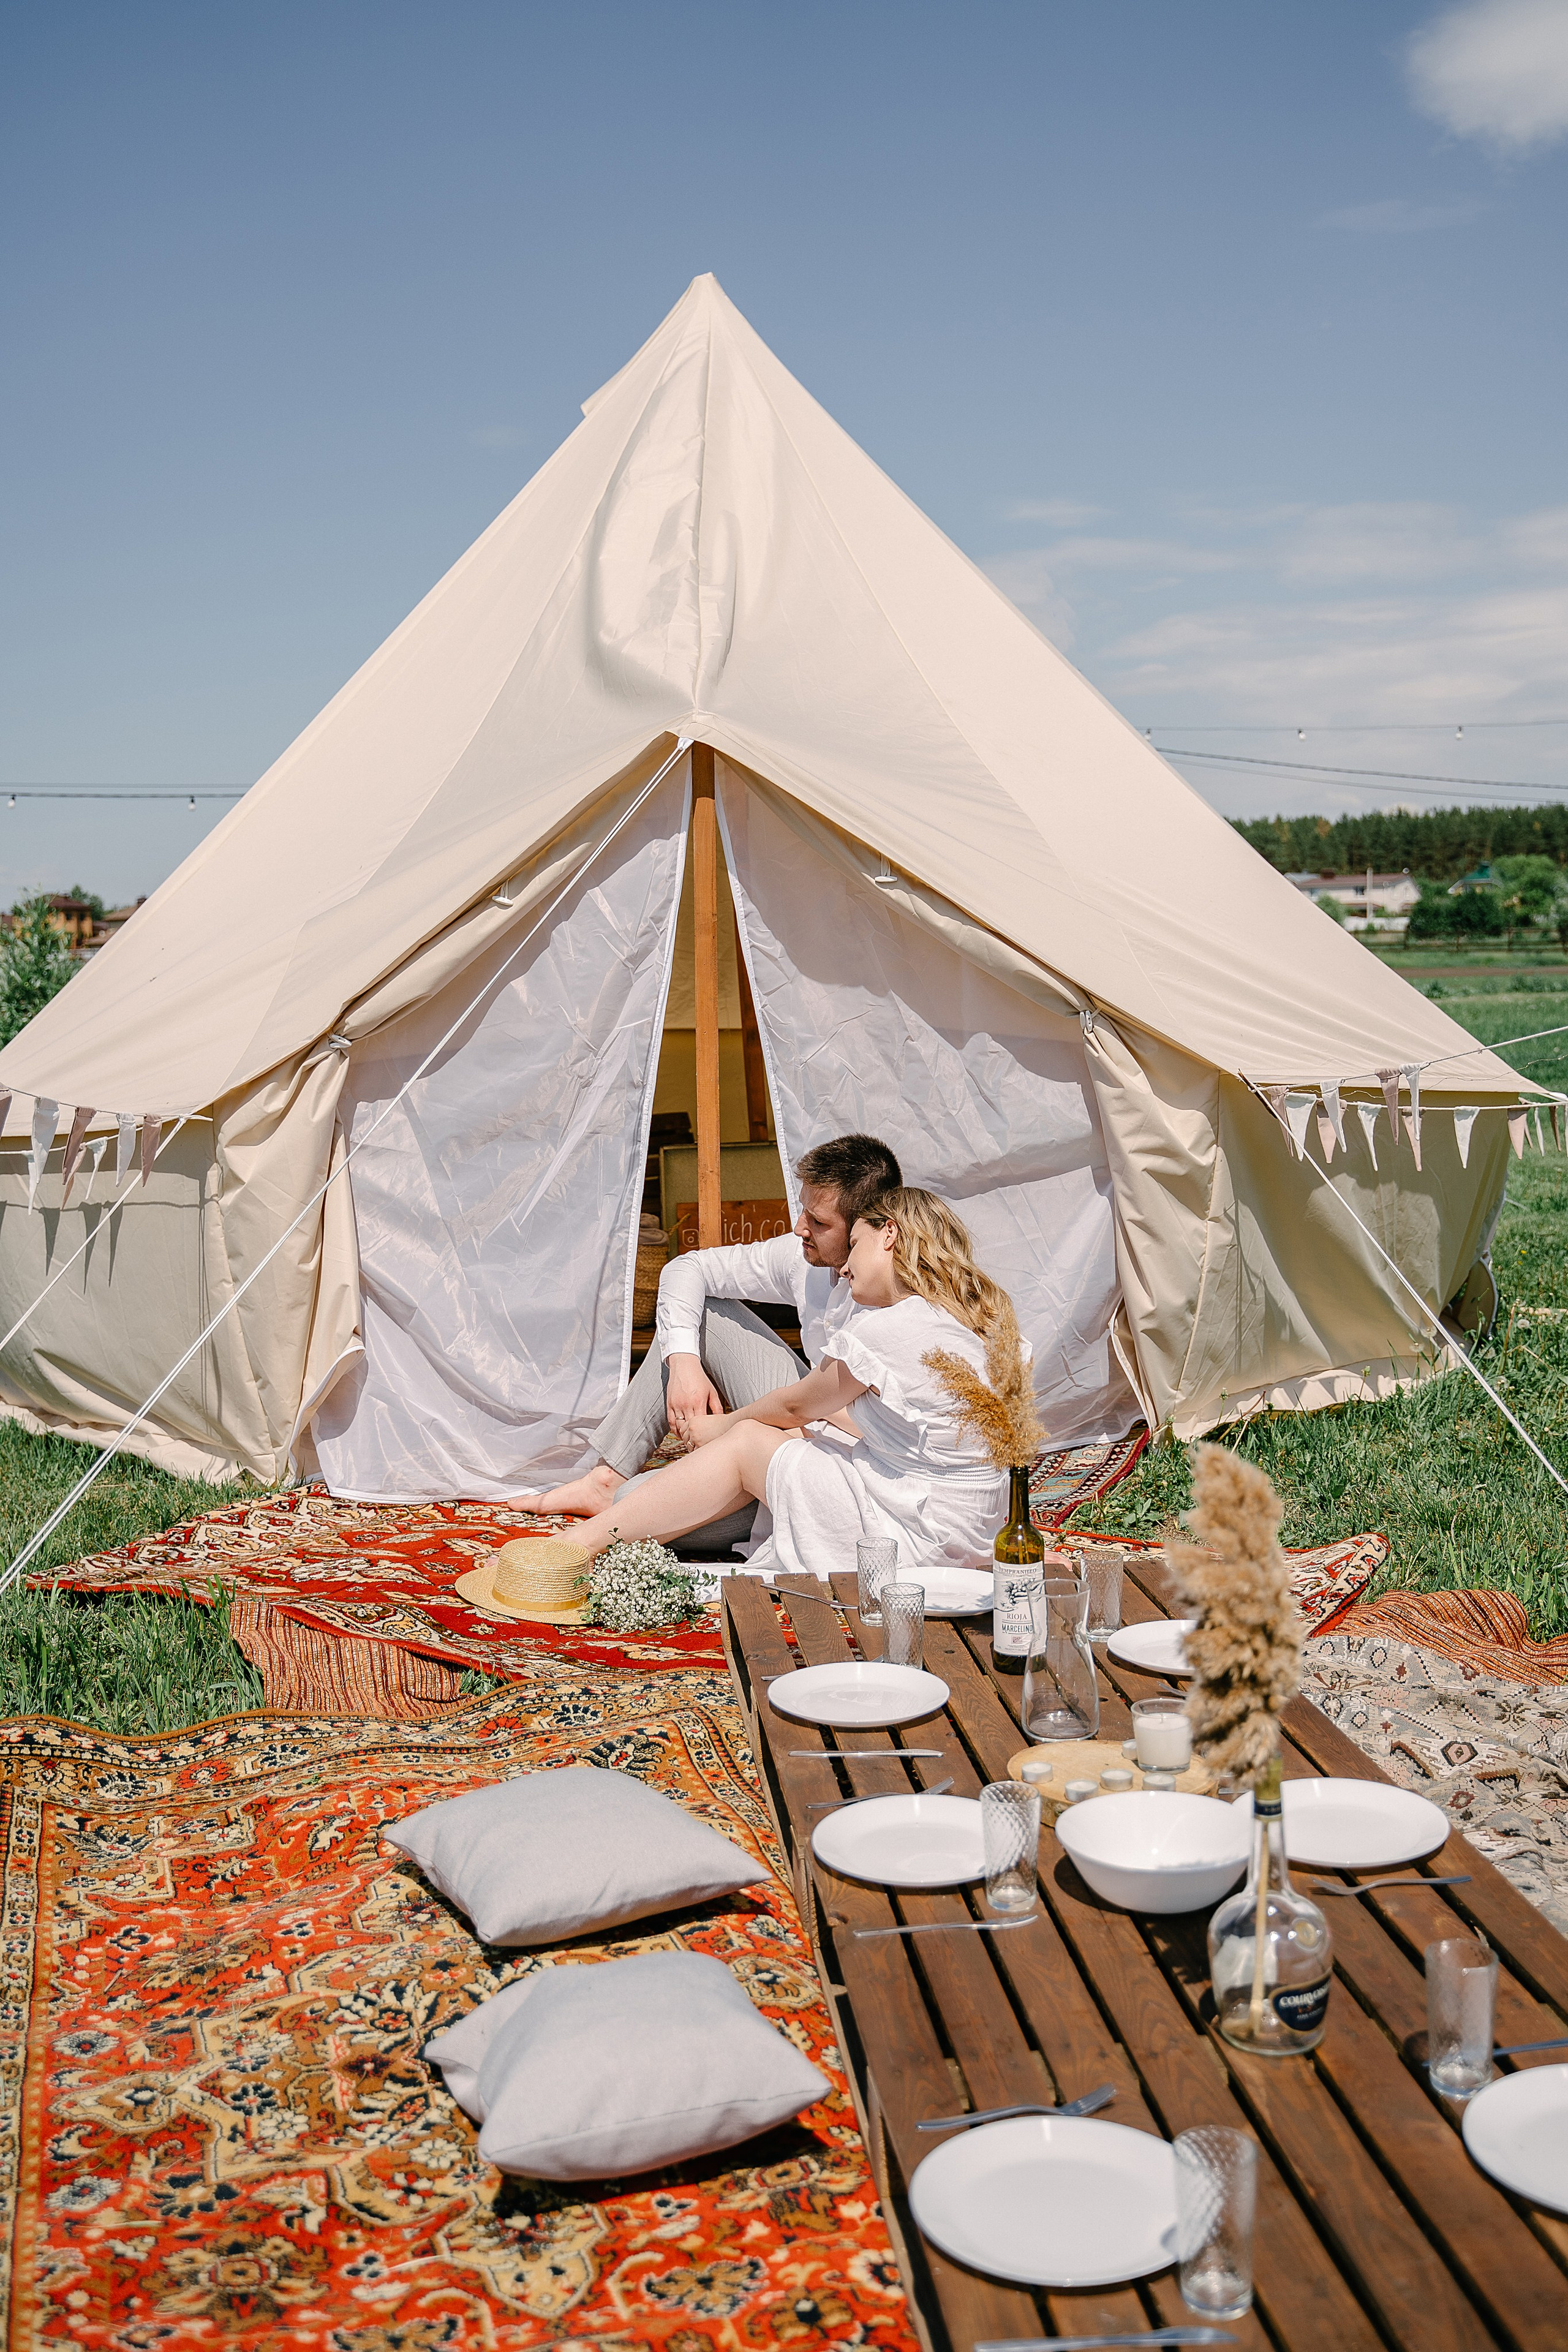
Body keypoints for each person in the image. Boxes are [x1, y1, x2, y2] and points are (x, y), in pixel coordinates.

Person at [528, 1188, 1036, 1580]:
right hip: (969, 1528)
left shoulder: (890, 1327)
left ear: (891, 1235)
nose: (846, 1266)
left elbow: (796, 1407)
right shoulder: (986, 1320)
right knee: (670, 1484)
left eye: (855, 1244)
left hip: (909, 1530)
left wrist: (723, 1427)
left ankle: (578, 1546)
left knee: (735, 1449)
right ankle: (610, 1504)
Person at [516, 1133, 902, 1542]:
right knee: (696, 1315)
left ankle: (667, 1495)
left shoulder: (902, 1299)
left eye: (820, 1223)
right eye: (803, 1211)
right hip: (797, 1417)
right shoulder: (802, 1259)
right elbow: (689, 1269)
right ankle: (608, 1476)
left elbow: (868, 1429)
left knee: (630, 1509)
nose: (799, 1228)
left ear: (871, 1228)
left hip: (842, 1467)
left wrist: (737, 1433)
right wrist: (684, 1365)